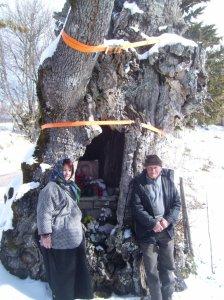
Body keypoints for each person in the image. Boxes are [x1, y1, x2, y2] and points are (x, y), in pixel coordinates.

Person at [37, 158, 93, 300]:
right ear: (57, 170)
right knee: (64, 273)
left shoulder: (70, 186)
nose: (67, 173)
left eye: (69, 170)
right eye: (64, 170)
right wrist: (45, 235)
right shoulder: (50, 188)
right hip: (60, 238)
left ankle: (76, 295)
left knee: (76, 270)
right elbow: (44, 212)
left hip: (75, 237)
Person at [131, 154, 181, 300]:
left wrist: (167, 220)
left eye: (155, 167)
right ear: (145, 168)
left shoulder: (168, 180)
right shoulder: (139, 183)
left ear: (160, 167)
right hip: (148, 232)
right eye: (150, 168)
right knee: (151, 270)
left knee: (168, 266)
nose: (152, 170)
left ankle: (168, 297)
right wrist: (152, 223)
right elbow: (136, 207)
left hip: (166, 230)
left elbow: (177, 203)